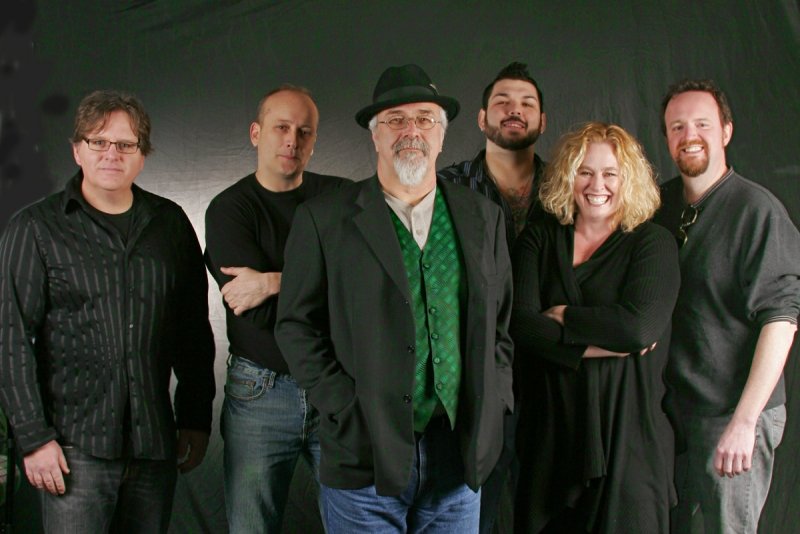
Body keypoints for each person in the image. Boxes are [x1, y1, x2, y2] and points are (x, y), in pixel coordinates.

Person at [275, 64, 514, 533]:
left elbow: (500, 325)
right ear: (375, 135)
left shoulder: (483, 217)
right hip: (363, 457)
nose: (411, 131)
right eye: (395, 120)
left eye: (425, 119)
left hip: (458, 457)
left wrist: (496, 398)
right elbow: (296, 326)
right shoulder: (324, 219)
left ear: (442, 136)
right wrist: (344, 408)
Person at [0, 90, 215, 533]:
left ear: (142, 155)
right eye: (98, 141)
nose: (111, 154)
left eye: (125, 144)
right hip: (72, 449)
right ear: (77, 150)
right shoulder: (35, 228)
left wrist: (195, 417)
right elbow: (11, 337)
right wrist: (33, 437)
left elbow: (193, 330)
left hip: (154, 446)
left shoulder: (171, 224)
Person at [511, 122, 680, 533]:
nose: (596, 185)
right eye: (584, 172)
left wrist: (565, 317)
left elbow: (638, 329)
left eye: (610, 174)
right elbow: (520, 325)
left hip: (630, 437)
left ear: (629, 179)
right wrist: (604, 343)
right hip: (551, 437)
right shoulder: (538, 238)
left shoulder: (652, 243)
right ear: (568, 177)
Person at [654, 79, 800, 534]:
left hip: (731, 413)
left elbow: (782, 320)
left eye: (702, 124)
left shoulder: (756, 210)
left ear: (726, 131)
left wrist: (745, 422)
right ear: (667, 137)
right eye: (678, 127)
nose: (689, 135)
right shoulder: (660, 206)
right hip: (674, 412)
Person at [204, 85, 344, 533]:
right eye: (281, 127)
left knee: (358, 523)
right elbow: (258, 315)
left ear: (314, 140)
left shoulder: (341, 198)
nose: (292, 140)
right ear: (255, 133)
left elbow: (370, 288)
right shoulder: (229, 210)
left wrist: (271, 281)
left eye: (304, 131)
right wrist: (331, 285)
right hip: (261, 392)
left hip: (336, 385)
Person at [438, 60, 546, 534]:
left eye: (526, 103)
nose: (514, 110)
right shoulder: (447, 188)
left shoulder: (571, 189)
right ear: (482, 119)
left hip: (551, 380)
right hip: (475, 381)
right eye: (502, 102)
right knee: (472, 516)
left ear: (542, 120)